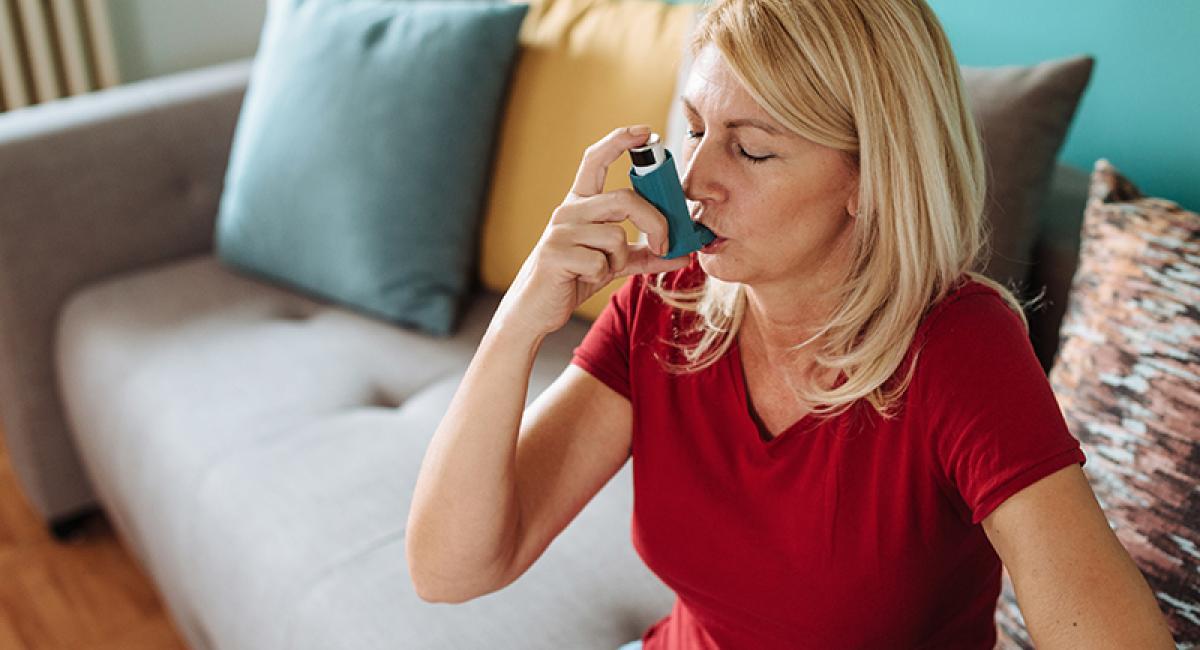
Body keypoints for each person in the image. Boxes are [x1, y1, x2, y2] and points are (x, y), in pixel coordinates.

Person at [406, 0, 1177, 647]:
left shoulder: (958, 348)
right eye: (697, 128)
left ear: (870, 180)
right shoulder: (666, 305)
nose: (698, 179)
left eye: (752, 150)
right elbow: (451, 570)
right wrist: (519, 320)